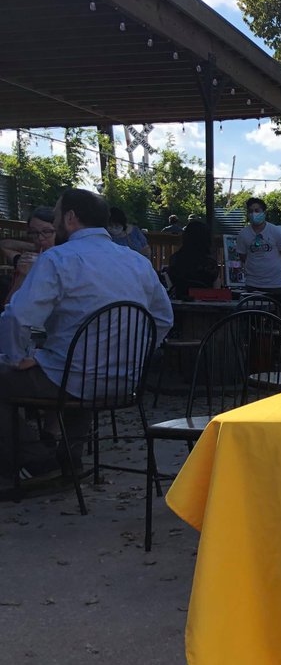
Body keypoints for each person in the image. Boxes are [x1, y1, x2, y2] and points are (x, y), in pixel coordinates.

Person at [0, 189, 173, 489]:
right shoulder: (137, 262)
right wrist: (134, 355)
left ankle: (35, 461)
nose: (55, 220)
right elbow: (163, 318)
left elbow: (18, 317)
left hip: (74, 378)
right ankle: (69, 457)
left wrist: (16, 358)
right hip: (125, 381)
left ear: (70, 218)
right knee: (75, 363)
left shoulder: (58, 259)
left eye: (55, 215)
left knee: (51, 369)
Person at [234, 197, 281, 294]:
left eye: (257, 210)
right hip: (252, 283)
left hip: (274, 283)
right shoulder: (243, 234)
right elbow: (243, 256)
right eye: (250, 211)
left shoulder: (276, 232)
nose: (254, 214)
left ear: (264, 212)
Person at [2, 207, 57, 305]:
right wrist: (35, 246)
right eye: (34, 232)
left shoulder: (63, 262)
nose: (40, 238)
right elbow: (9, 305)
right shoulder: (28, 260)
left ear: (58, 231)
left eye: (46, 231)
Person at [166, 221, 220, 297]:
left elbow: (171, 284)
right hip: (206, 303)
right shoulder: (210, 264)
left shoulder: (175, 259)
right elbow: (217, 290)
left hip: (180, 302)